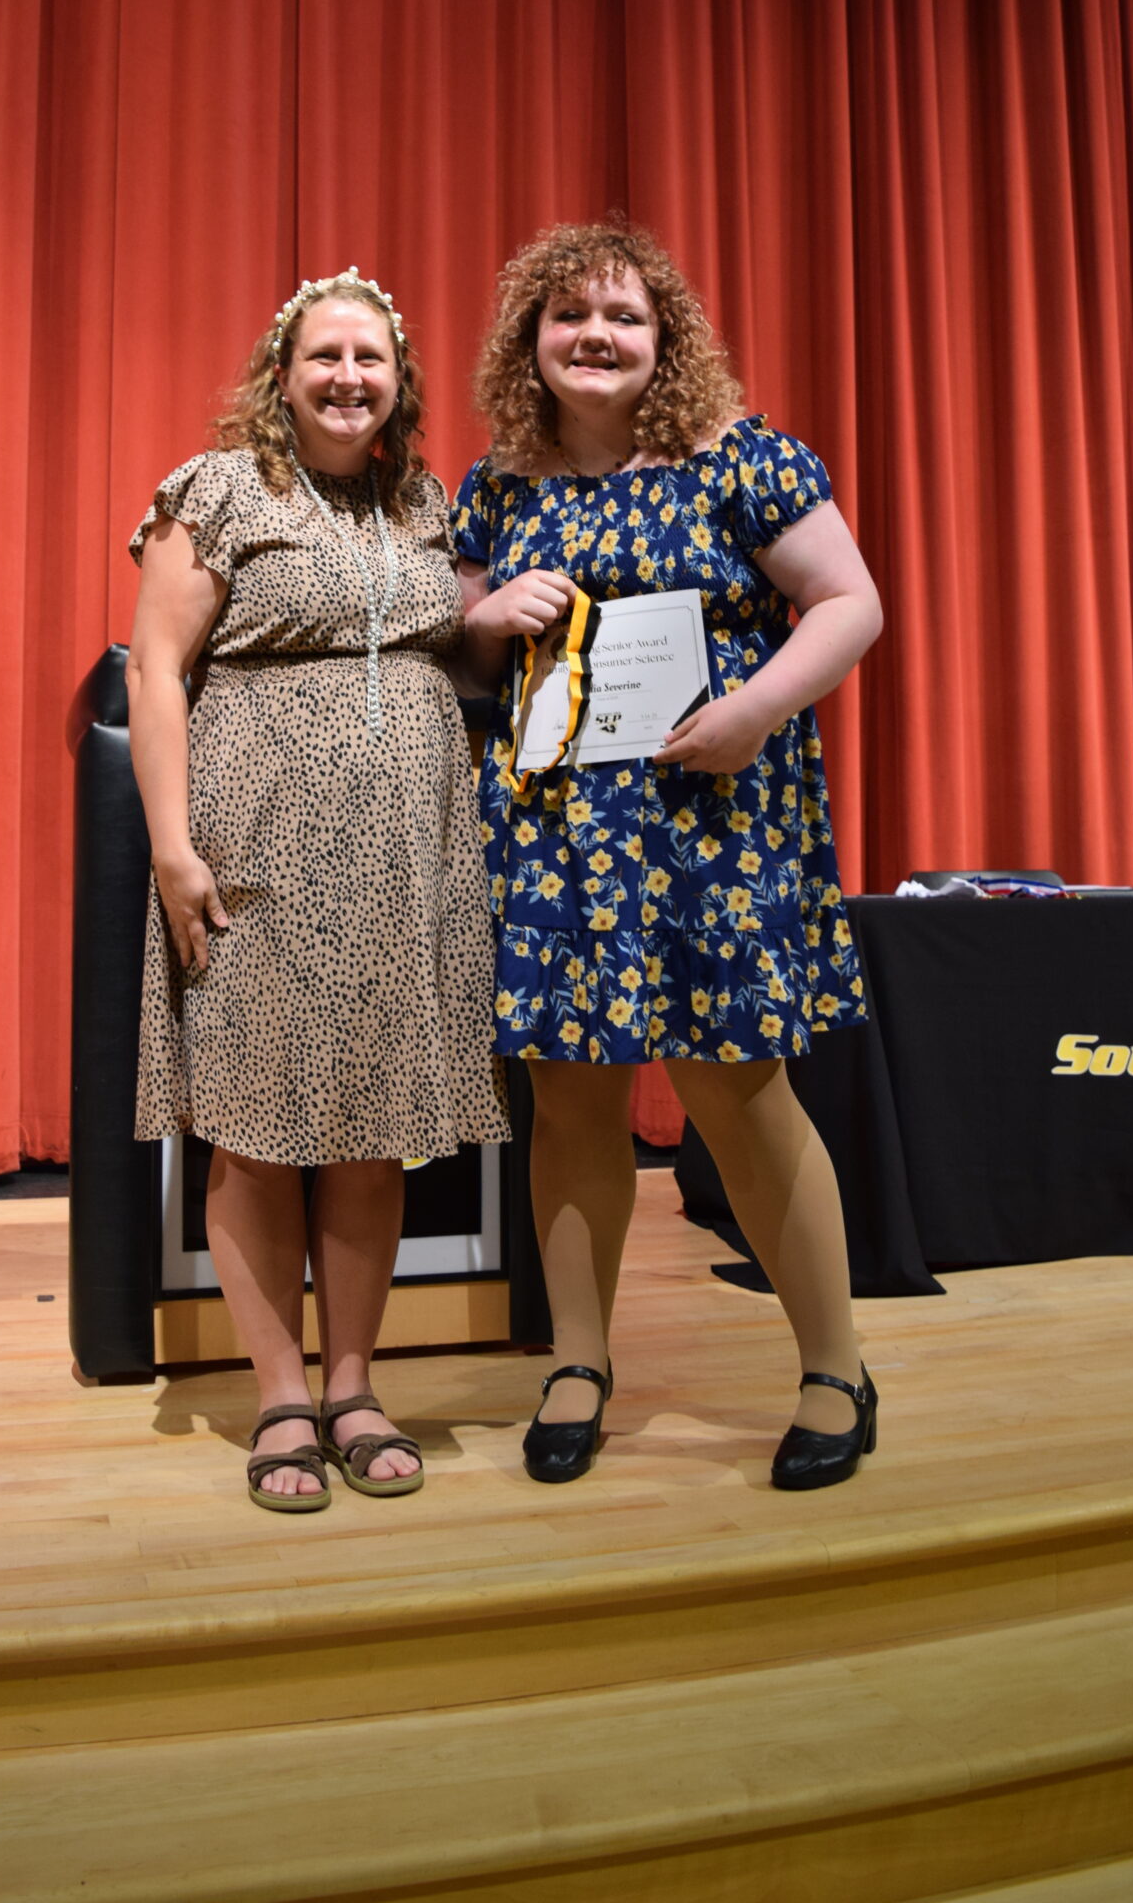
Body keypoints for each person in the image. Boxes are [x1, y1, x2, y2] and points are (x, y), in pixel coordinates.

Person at [455, 220, 884, 1492]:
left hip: (714, 821)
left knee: (738, 1094)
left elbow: (850, 602)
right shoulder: (500, 486)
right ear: (530, 339)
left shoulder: (742, 458)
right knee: (570, 1099)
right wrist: (486, 615)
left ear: (665, 339)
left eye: (623, 317)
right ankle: (578, 1364)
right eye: (570, 315)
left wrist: (756, 710)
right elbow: (462, 644)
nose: (595, 336)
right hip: (558, 833)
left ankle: (836, 1369)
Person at [126, 270, 507, 1513]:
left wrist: (497, 615)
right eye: (326, 356)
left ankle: (353, 1386)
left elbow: (452, 652)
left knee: (372, 1131)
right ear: (282, 375)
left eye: (371, 358)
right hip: (260, 850)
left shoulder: (422, 503)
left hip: (408, 858)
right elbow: (156, 671)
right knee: (253, 1132)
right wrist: (173, 847)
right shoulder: (218, 489)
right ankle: (281, 1394)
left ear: (400, 381)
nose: (349, 377)